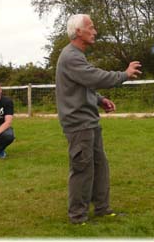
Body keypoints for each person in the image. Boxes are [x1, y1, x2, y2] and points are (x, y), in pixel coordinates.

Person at [55, 14, 142, 225]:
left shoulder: (77, 55)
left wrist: (100, 100)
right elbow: (94, 77)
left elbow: (84, 85)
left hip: (89, 122)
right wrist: (123, 75)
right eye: (91, 28)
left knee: (100, 166)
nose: (95, 32)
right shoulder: (70, 56)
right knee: (82, 170)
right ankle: (78, 217)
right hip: (78, 124)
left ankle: (102, 209)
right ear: (78, 32)